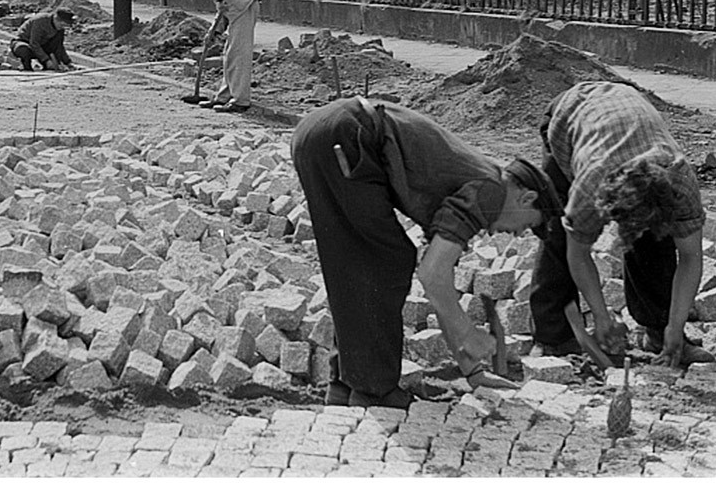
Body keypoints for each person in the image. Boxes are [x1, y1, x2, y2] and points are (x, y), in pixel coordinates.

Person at [291, 96, 562, 408]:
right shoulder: (490, 192)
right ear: (527, 198)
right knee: (385, 260)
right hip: (347, 137)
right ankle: (374, 392)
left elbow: (439, 282)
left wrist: (472, 372)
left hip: (330, 133)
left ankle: (345, 386)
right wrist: (468, 331)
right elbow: (432, 275)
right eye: (526, 226)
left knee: (361, 263)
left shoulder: (477, 180)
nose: (515, 234)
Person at [529, 81, 712, 367]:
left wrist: (674, 327)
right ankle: (552, 337)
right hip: (569, 116)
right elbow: (578, 254)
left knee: (656, 240)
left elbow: (690, 257)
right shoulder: (591, 186)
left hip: (626, 111)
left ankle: (658, 332)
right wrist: (601, 316)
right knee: (558, 233)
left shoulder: (680, 183)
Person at [173, 0, 260, 113]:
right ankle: (223, 97)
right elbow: (222, 10)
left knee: (238, 54)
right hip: (235, 11)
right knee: (229, 55)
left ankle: (241, 101)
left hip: (244, 7)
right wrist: (215, 31)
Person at [10, 8, 76, 72]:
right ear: (55, 19)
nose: (62, 27)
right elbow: (34, 43)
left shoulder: (60, 28)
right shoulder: (40, 21)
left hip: (41, 45)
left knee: (53, 47)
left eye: (65, 25)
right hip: (23, 42)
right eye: (62, 24)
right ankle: (27, 69)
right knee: (24, 50)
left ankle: (47, 68)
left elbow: (59, 47)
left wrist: (68, 63)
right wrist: (46, 60)